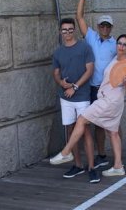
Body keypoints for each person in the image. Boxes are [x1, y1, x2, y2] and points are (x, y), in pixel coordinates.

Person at [50, 34, 126, 177]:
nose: (121, 46)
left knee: (82, 119)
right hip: (111, 101)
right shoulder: (116, 58)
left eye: (124, 45)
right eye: (119, 43)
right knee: (113, 133)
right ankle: (118, 166)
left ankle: (66, 152)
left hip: (109, 101)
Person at [50, 18, 98, 182]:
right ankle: (78, 165)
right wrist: (60, 82)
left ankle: (91, 168)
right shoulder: (58, 52)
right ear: (60, 32)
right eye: (65, 30)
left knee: (85, 131)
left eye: (70, 29)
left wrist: (75, 87)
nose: (68, 32)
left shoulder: (85, 47)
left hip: (82, 96)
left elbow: (89, 70)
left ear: (74, 30)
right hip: (66, 98)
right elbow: (56, 73)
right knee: (71, 131)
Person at [77, 0, 117, 168]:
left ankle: (118, 158)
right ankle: (101, 155)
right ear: (98, 26)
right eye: (102, 26)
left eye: (108, 26)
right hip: (94, 88)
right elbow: (79, 17)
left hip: (109, 90)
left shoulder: (116, 44)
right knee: (98, 124)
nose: (105, 29)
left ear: (111, 28)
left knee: (113, 125)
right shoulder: (91, 37)